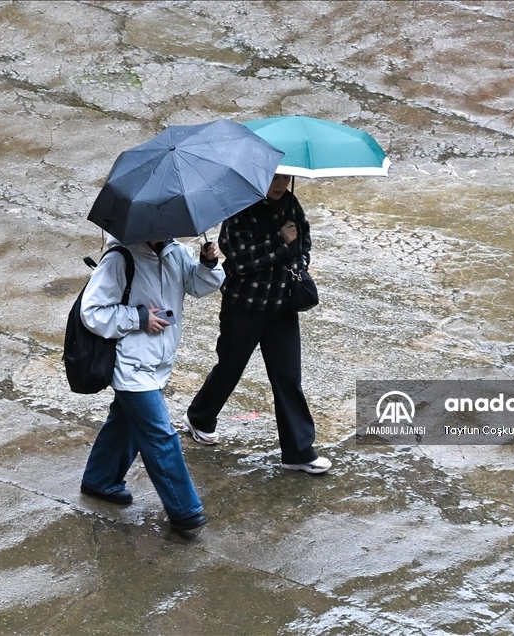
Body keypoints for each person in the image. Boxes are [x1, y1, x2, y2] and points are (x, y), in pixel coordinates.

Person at [182, 173, 332, 474]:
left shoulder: (290, 204)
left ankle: (298, 452)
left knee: (288, 379)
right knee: (230, 367)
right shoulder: (239, 209)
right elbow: (240, 261)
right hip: (244, 307)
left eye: (286, 178)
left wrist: (297, 261)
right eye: (275, 179)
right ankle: (199, 418)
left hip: (281, 307)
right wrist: (279, 243)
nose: (280, 185)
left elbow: (303, 244)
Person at [79, 235, 224, 538]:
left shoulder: (178, 253)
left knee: (127, 422)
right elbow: (92, 311)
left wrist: (209, 264)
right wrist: (138, 317)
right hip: (130, 364)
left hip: (159, 362)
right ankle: (185, 512)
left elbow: (198, 286)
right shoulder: (120, 258)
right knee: (160, 434)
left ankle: (100, 479)